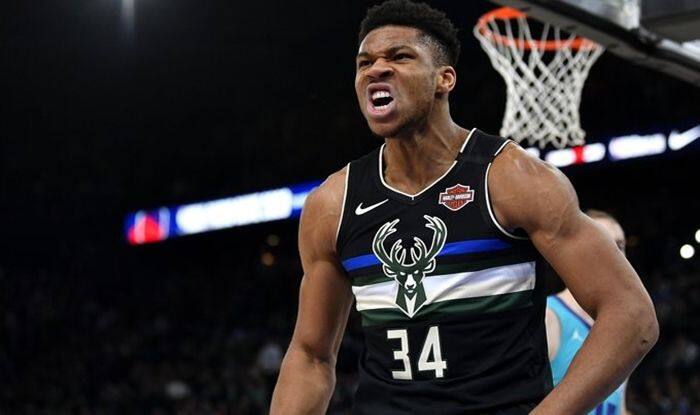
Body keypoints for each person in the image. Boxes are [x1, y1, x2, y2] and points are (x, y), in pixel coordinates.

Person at [270, 1, 658, 413]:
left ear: (444, 79)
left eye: (399, 57)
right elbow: (310, 356)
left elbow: (632, 315)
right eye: (364, 62)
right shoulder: (332, 203)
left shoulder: (512, 179)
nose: (376, 69)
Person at [546, 210, 630, 415]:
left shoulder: (624, 332)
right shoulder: (549, 315)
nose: (617, 256)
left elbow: (618, 408)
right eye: (606, 244)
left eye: (620, 246)